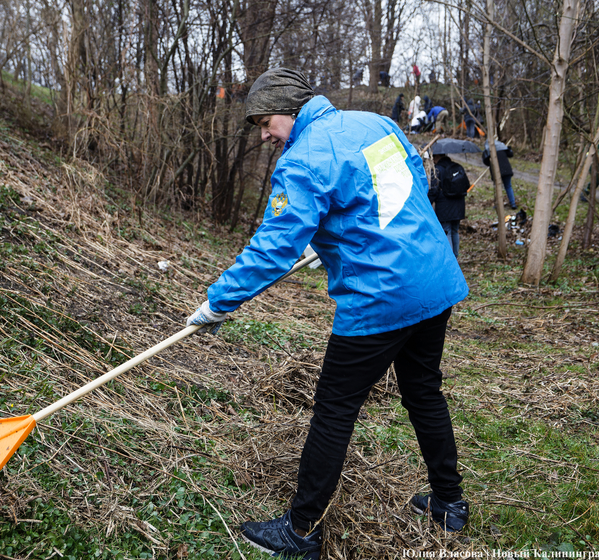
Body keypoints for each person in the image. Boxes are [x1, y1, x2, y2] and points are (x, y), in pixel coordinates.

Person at [185, 68, 470, 560]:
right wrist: (338, 230)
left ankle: (300, 531)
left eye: (266, 122)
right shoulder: (376, 124)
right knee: (424, 391)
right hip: (434, 280)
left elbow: (273, 249)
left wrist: (218, 301)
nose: (264, 135)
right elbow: (404, 191)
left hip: (383, 295)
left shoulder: (303, 160)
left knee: (334, 409)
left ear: (291, 112)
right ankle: (449, 504)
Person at [430, 153, 467, 257]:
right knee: (455, 231)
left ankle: (451, 259)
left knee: (447, 231)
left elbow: (434, 190)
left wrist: (429, 202)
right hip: (459, 206)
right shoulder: (457, 166)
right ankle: (455, 256)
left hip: (444, 207)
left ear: (438, 157)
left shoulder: (437, 169)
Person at [482, 139, 517, 209]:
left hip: (496, 172)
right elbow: (511, 154)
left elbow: (485, 162)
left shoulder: (488, 150)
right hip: (506, 170)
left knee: (498, 188)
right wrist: (509, 149)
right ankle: (513, 203)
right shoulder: (502, 147)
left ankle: (498, 204)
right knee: (508, 186)